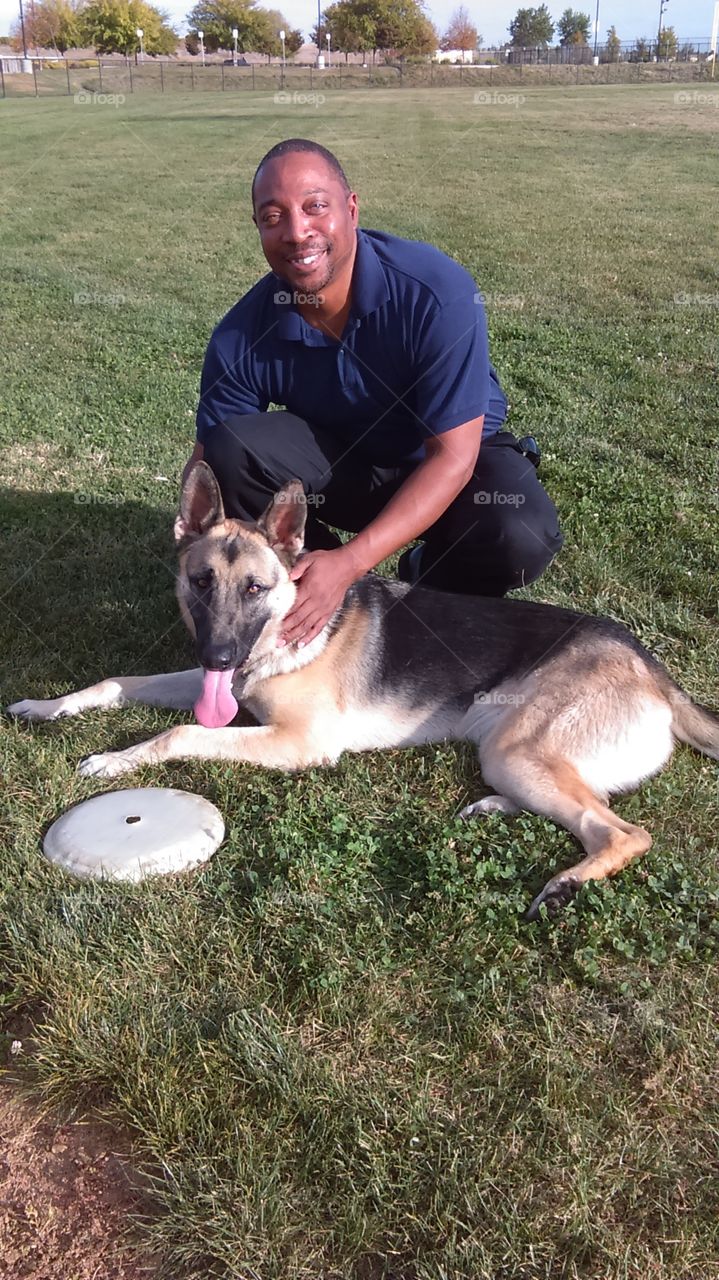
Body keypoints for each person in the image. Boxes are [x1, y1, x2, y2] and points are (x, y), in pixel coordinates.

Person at [186, 138, 562, 649]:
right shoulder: (242, 330)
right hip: (345, 469)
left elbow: (452, 457)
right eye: (273, 216)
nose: (298, 232)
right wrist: (195, 556)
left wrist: (353, 562)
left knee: (520, 529)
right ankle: (305, 592)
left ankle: (423, 574)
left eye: (315, 206)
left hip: (450, 462)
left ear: (352, 208)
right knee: (234, 445)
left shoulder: (434, 290)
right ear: (258, 228)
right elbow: (210, 462)